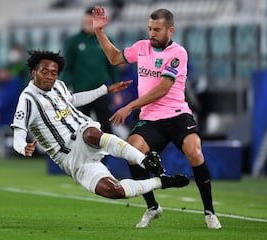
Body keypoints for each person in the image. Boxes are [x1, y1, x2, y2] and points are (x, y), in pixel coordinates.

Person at [92, 6, 222, 229]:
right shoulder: (142, 47)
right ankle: (153, 207)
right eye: (150, 28)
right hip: (150, 118)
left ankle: (209, 212)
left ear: (170, 30)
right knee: (132, 154)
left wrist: (129, 106)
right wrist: (99, 31)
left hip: (177, 114)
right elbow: (114, 58)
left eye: (157, 29)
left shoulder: (178, 53)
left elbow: (163, 88)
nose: (152, 33)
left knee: (194, 151)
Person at [11, 50, 189, 205]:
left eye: (54, 72)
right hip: (72, 159)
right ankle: (161, 182)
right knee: (115, 191)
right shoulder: (27, 100)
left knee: (90, 133)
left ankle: (144, 161)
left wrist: (106, 90)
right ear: (33, 72)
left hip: (82, 131)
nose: (50, 76)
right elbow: (19, 131)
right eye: (45, 72)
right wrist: (22, 147)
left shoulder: (58, 86)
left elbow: (72, 99)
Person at [61, 7, 120, 134]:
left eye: (90, 23)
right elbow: (67, 67)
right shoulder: (74, 41)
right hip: (80, 93)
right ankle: (82, 154)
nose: (87, 26)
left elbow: (113, 66)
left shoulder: (105, 40)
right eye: (85, 23)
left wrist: (117, 91)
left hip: (101, 91)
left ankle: (106, 154)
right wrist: (63, 88)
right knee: (80, 128)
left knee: (106, 128)